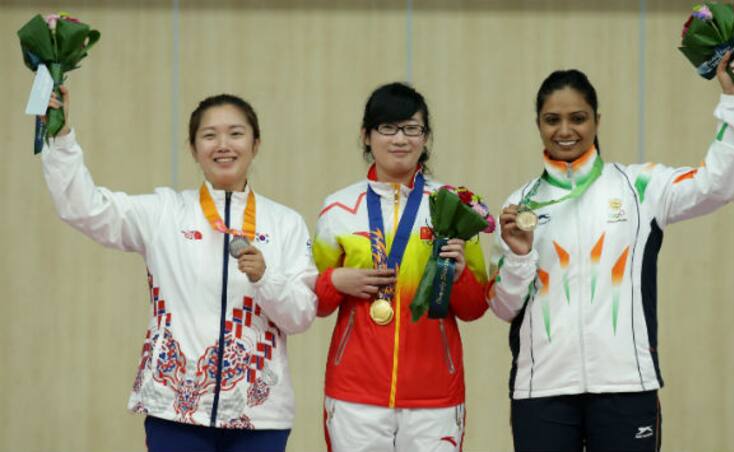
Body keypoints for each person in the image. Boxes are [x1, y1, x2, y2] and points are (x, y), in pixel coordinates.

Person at [488, 52, 734, 451]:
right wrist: (521, 256)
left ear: (597, 120)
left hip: (626, 385)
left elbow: (719, 184)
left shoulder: (640, 187)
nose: (565, 130)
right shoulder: (521, 204)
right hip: (541, 389)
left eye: (578, 118)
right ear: (538, 125)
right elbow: (503, 306)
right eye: (552, 119)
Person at [39, 87, 318, 452]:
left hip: (260, 413)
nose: (223, 145)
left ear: (256, 144)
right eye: (209, 135)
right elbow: (85, 208)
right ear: (193, 148)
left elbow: (301, 316)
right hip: (175, 409)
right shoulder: (165, 213)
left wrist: (266, 278)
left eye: (235, 133)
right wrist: (59, 138)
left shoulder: (286, 223)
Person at [312, 82, 489, 452]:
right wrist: (337, 280)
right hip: (355, 392)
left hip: (435, 393)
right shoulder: (339, 209)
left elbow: (474, 308)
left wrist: (457, 278)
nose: (400, 139)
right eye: (387, 128)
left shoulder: (453, 207)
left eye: (412, 128)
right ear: (366, 135)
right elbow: (316, 302)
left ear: (425, 137)